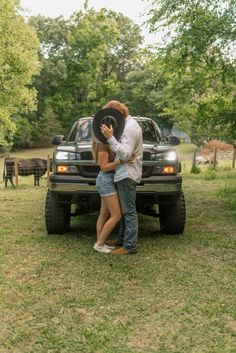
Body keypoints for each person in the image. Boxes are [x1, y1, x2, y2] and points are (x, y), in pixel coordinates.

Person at [101, 100, 143, 254]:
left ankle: (129, 246)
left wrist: (111, 138)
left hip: (127, 173)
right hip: (123, 172)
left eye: (110, 116)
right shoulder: (126, 125)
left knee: (129, 211)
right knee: (124, 210)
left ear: (119, 115)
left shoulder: (130, 128)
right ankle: (121, 240)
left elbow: (126, 153)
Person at [92, 136, 134, 253]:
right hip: (106, 181)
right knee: (116, 215)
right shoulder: (102, 145)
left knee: (104, 213)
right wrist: (121, 161)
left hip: (108, 180)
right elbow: (104, 167)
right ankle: (99, 244)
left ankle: (100, 241)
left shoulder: (109, 143)